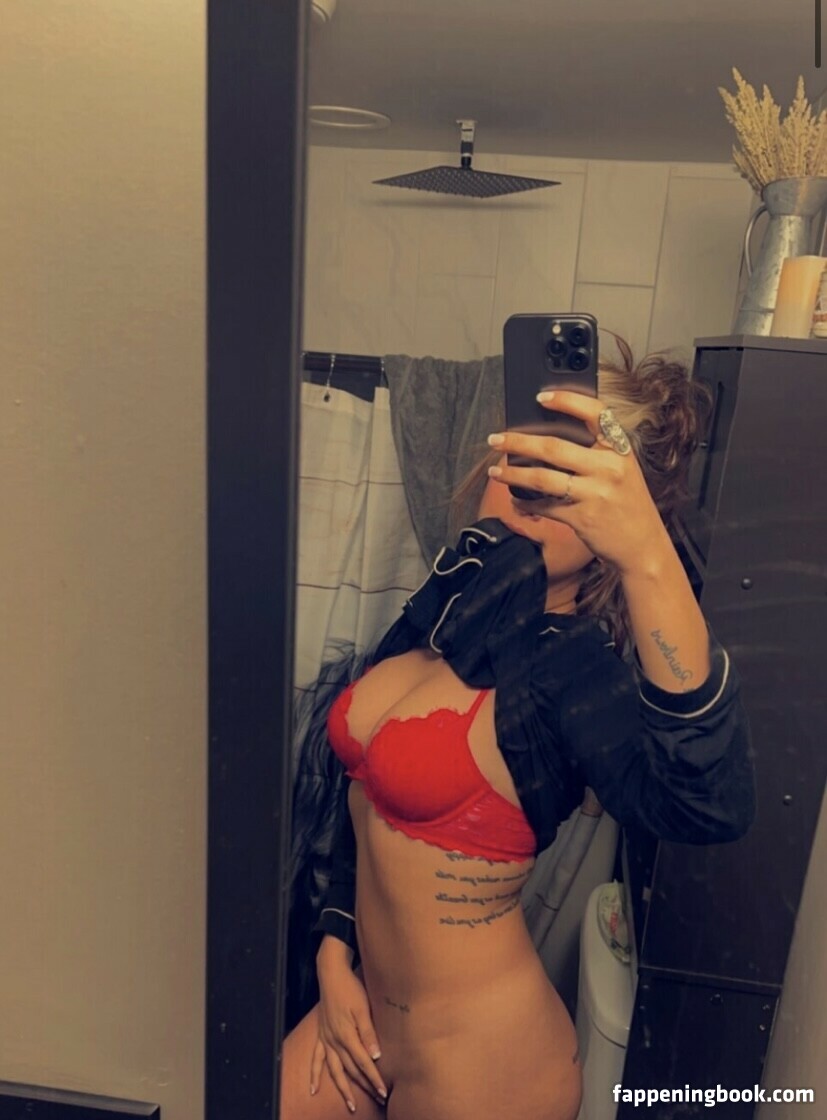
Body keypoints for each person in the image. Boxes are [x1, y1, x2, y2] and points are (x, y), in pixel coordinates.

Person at [279, 340, 756, 1120]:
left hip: (486, 1072)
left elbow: (707, 805)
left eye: (568, 478)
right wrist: (335, 956)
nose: (532, 491)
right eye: (526, 458)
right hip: (358, 1021)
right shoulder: (447, 603)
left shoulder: (570, 666)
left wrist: (646, 556)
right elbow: (357, 804)